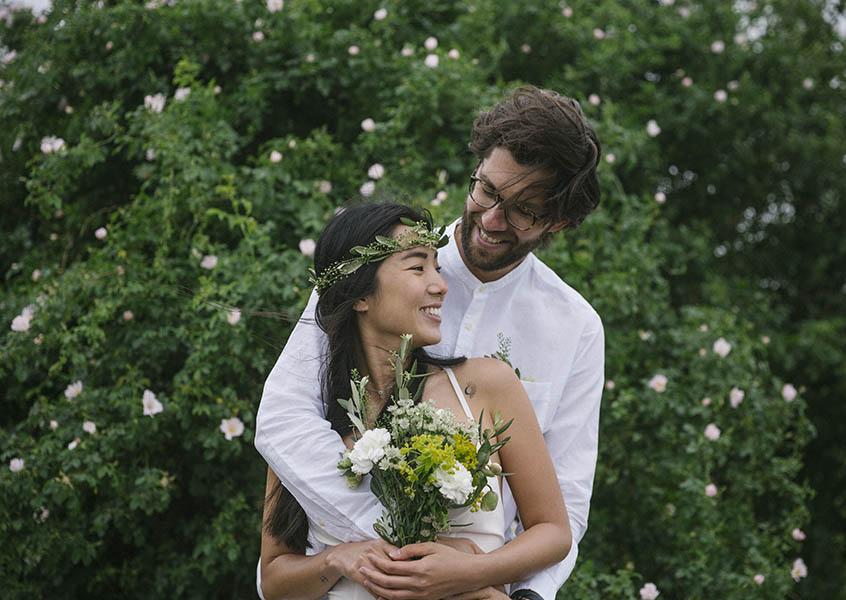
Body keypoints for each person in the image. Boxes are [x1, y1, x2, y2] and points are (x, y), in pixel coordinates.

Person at [256, 85, 605, 600]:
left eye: (523, 211)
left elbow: (565, 508)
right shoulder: (371, 261)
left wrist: (486, 582)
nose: (490, 220)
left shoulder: (575, 327)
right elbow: (285, 419)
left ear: (558, 222)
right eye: (486, 190)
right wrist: (396, 542)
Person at [259, 203, 571, 600]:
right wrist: (338, 559)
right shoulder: (305, 422)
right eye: (417, 267)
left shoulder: (486, 385)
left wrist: (473, 571)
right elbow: (273, 581)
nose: (440, 285)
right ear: (360, 296)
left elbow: (554, 532)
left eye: (438, 268)